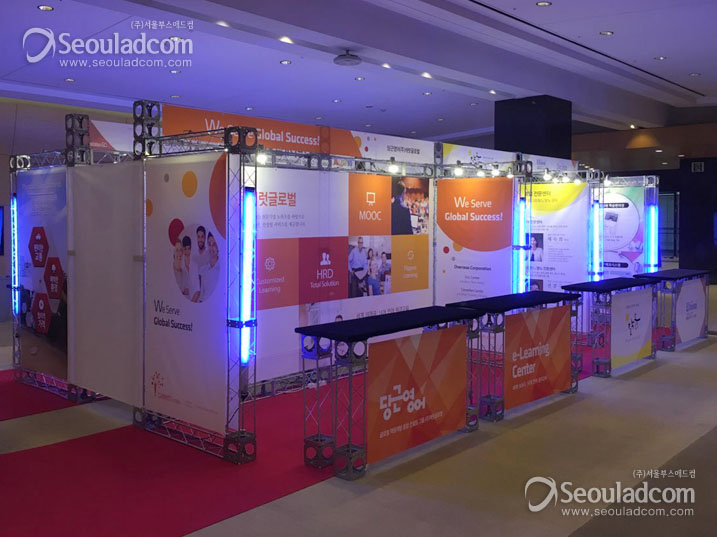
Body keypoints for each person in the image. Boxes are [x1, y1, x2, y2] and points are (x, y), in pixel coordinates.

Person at [199, 233, 220, 302]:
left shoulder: (222, 270)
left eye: (214, 244)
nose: (211, 248)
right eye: (209, 244)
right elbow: (201, 296)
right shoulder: (203, 270)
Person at [181, 235, 200, 302]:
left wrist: (191, 304)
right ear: (182, 249)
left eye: (188, 248)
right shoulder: (180, 265)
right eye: (185, 249)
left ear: (191, 248)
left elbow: (197, 290)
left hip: (193, 301)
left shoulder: (195, 266)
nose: (187, 251)